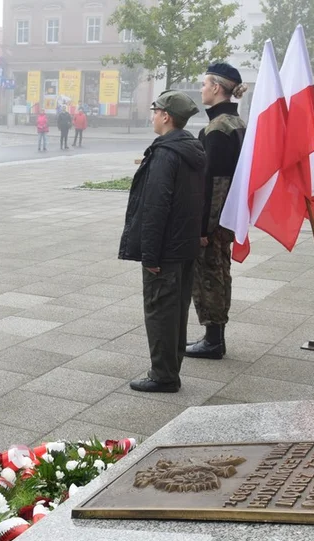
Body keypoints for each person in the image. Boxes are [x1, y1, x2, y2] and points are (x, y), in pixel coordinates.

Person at [118, 90, 205, 394]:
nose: (153, 115)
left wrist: (150, 256)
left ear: (166, 116)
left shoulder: (166, 154)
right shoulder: (192, 149)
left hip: (165, 249)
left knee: (160, 311)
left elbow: (155, 208)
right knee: (176, 309)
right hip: (185, 246)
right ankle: (170, 366)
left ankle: (164, 375)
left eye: (155, 110)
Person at [186, 62, 248, 361]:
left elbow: (213, 184)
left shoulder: (217, 129)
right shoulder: (237, 123)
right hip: (229, 215)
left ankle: (213, 341)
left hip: (215, 219)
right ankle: (214, 337)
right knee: (220, 273)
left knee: (210, 274)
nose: (201, 89)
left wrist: (202, 230)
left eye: (203, 84)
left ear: (215, 87)